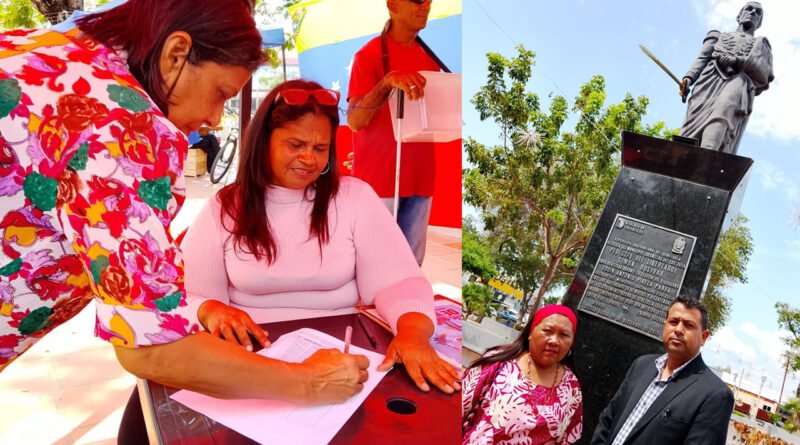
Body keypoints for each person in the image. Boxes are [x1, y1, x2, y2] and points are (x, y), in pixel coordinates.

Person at [0, 0, 368, 408]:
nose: (214, 118)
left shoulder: (51, 49)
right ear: (176, 54)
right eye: (220, 94)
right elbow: (151, 346)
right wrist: (307, 382)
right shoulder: (125, 127)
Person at [181, 78, 461, 395]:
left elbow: (399, 282)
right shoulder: (224, 207)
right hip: (249, 355)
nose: (309, 159)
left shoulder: (355, 197)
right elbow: (188, 293)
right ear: (264, 143)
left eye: (320, 148)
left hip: (343, 350)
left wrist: (412, 332)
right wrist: (212, 310)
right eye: (296, 145)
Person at [346, 0, 444, 265]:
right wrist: (386, 82)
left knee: (410, 268)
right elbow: (355, 120)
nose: (425, 6)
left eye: (429, 1)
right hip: (379, 181)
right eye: (417, 0)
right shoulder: (367, 55)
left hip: (422, 178)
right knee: (371, 265)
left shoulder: (431, 59)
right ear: (393, 5)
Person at [590, 296, 734, 445]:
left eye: (689, 325)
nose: (678, 329)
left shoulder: (716, 395)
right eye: (673, 322)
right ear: (665, 325)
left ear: (704, 337)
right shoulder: (641, 365)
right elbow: (608, 419)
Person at [462, 305, 583, 444]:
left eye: (564, 335)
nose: (554, 341)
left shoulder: (572, 387)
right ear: (531, 332)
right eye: (548, 331)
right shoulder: (498, 363)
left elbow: (568, 438)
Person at [678, 1, 773, 155]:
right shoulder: (717, 37)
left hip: (738, 81)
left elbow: (763, 73)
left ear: (759, 22)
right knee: (689, 134)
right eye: (749, 9)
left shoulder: (761, 44)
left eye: (758, 12)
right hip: (708, 82)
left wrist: (736, 61)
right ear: (739, 15)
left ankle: (707, 157)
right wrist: (688, 78)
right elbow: (702, 58)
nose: (753, 12)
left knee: (723, 111)